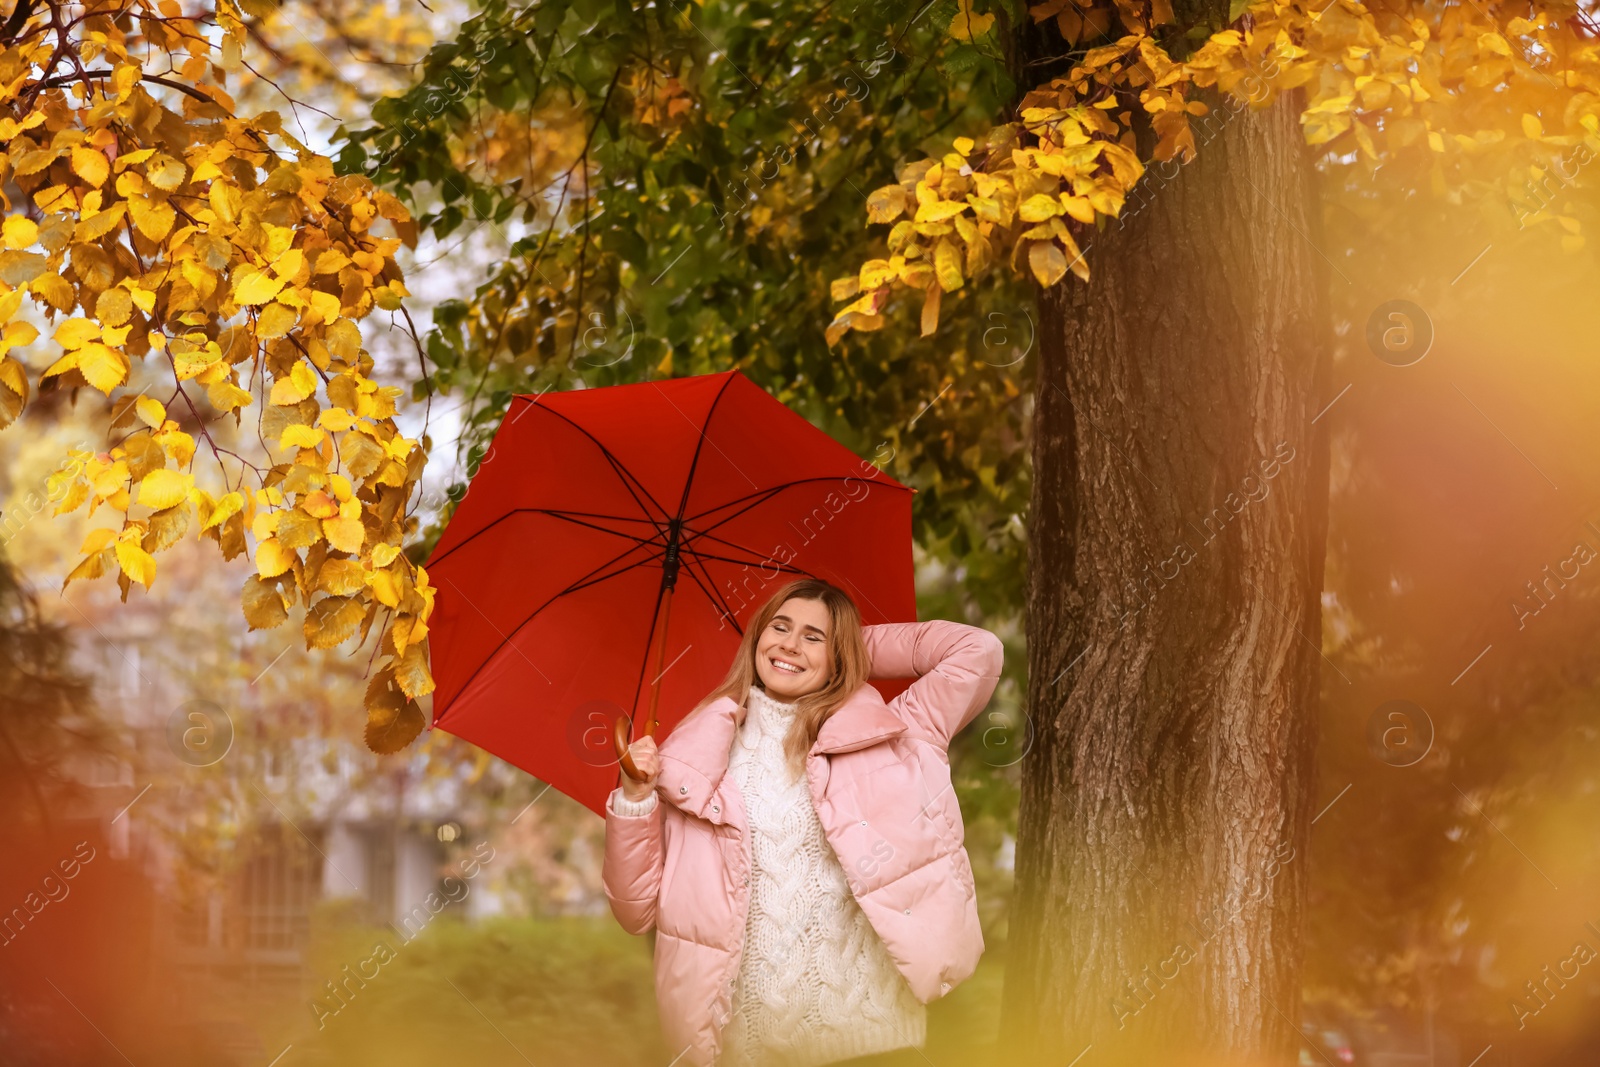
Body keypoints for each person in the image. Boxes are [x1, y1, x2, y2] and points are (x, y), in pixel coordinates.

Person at [602, 577, 1005, 1067]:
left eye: (814, 637)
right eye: (780, 627)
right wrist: (636, 799)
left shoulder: (900, 732)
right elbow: (634, 910)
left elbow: (975, 650)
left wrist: (849, 651)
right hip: (743, 1049)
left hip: (872, 1039)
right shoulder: (694, 759)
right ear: (756, 638)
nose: (789, 645)